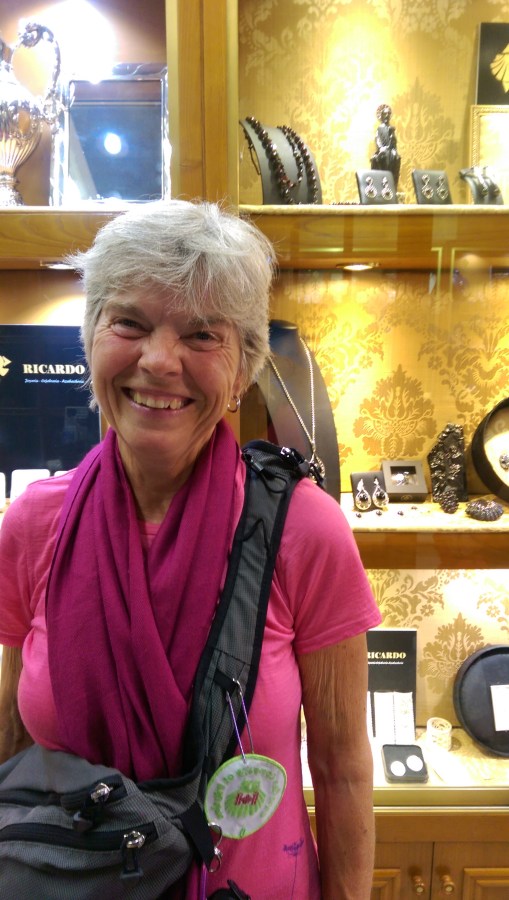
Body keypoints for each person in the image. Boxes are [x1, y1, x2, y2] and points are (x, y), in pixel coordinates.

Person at [0, 200, 381, 899]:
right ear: (91, 340)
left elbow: (343, 772)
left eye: (202, 334)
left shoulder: (304, 531)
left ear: (242, 370)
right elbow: (14, 744)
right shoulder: (32, 525)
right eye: (129, 323)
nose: (158, 360)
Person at [370, 103, 401, 188]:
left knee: (396, 156)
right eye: (385, 114)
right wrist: (381, 148)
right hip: (382, 149)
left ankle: (391, 183)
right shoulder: (380, 128)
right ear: (382, 116)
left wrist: (391, 135)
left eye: (388, 114)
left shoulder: (391, 128)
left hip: (391, 149)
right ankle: (384, 180)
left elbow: (394, 142)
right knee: (384, 154)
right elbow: (378, 140)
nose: (387, 116)